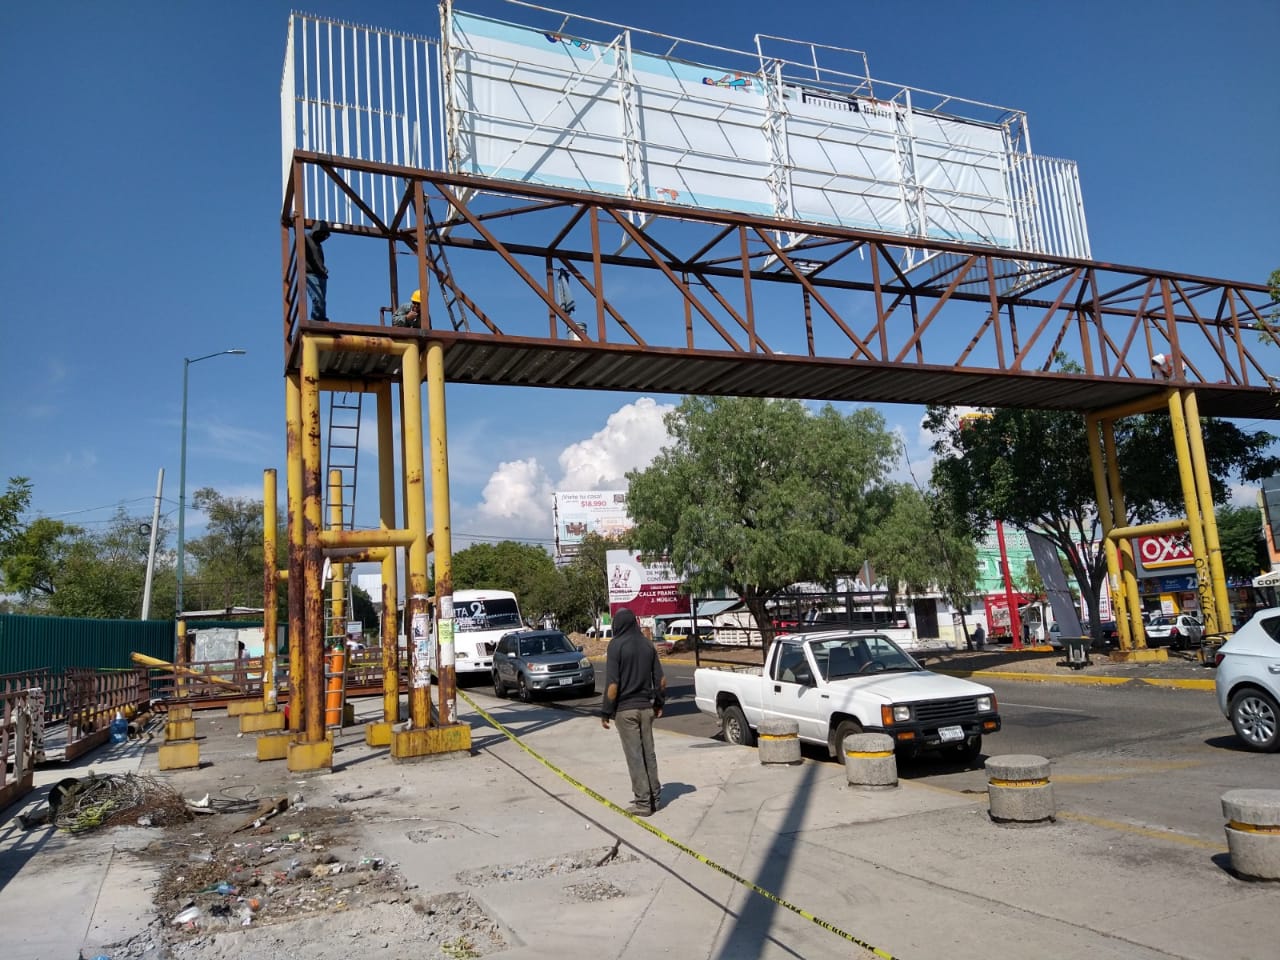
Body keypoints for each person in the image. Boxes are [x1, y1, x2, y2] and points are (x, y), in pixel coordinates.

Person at [601, 607, 666, 817]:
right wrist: (658, 704)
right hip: (647, 708)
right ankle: (655, 798)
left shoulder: (616, 645)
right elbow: (661, 680)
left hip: (626, 711)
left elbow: (612, 686)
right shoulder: (648, 645)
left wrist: (605, 712)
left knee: (635, 756)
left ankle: (643, 803)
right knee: (649, 753)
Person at [303, 220, 331, 322]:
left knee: (322, 302)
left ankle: (320, 319)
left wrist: (323, 268)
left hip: (321, 275)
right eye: (321, 233)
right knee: (318, 300)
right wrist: (294, 220)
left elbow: (319, 259)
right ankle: (316, 321)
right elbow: (297, 235)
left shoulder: (318, 245)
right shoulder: (305, 238)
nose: (322, 237)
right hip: (310, 274)